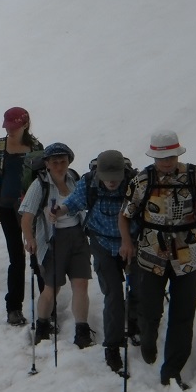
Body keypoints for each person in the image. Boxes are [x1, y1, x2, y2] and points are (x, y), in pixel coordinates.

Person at [119, 130, 196, 388]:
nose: (167, 162)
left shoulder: (194, 177)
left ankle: (172, 370)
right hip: (151, 254)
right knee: (149, 311)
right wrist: (127, 242)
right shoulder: (142, 180)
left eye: (170, 156)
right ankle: (148, 341)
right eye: (162, 158)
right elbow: (125, 214)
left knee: (183, 314)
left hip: (187, 253)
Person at [51, 150, 140, 374]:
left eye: (116, 176)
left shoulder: (134, 183)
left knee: (137, 289)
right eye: (107, 175)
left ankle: (136, 325)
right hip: (101, 242)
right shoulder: (89, 183)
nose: (111, 181)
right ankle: (112, 345)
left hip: (131, 243)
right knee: (113, 294)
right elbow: (73, 202)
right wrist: (59, 211)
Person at [20, 142, 94, 349]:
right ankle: (42, 326)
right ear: (47, 164)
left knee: (81, 284)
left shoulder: (75, 180)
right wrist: (30, 239)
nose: (60, 165)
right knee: (52, 287)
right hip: (53, 239)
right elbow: (27, 216)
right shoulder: (40, 184)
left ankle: (82, 330)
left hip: (78, 237)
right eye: (55, 162)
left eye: (63, 161)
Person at [0, 107, 44, 326]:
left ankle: (46, 307)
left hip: (31, 208)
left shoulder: (36, 148)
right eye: (8, 127)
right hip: (7, 208)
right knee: (16, 257)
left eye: (14, 127)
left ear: (25, 125)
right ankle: (13, 308)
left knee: (38, 256)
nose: (10, 131)